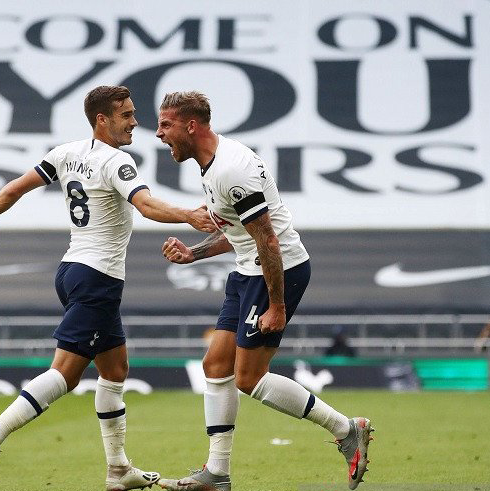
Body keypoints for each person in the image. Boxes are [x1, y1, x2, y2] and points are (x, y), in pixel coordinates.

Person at [0, 85, 214, 491]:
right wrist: (189, 214)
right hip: (97, 277)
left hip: (72, 271)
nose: (135, 122)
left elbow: (13, 188)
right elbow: (146, 205)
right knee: (66, 373)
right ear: (103, 119)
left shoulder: (64, 154)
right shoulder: (117, 162)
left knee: (114, 371)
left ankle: (118, 470)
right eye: (127, 115)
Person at [156, 91, 373, 491]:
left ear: (191, 125)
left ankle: (346, 430)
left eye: (165, 125)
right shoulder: (212, 165)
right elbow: (240, 234)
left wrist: (277, 305)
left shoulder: (230, 171)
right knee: (215, 367)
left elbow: (269, 241)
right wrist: (194, 254)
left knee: (248, 378)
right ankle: (216, 474)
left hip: (277, 271)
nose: (158, 133)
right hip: (248, 270)